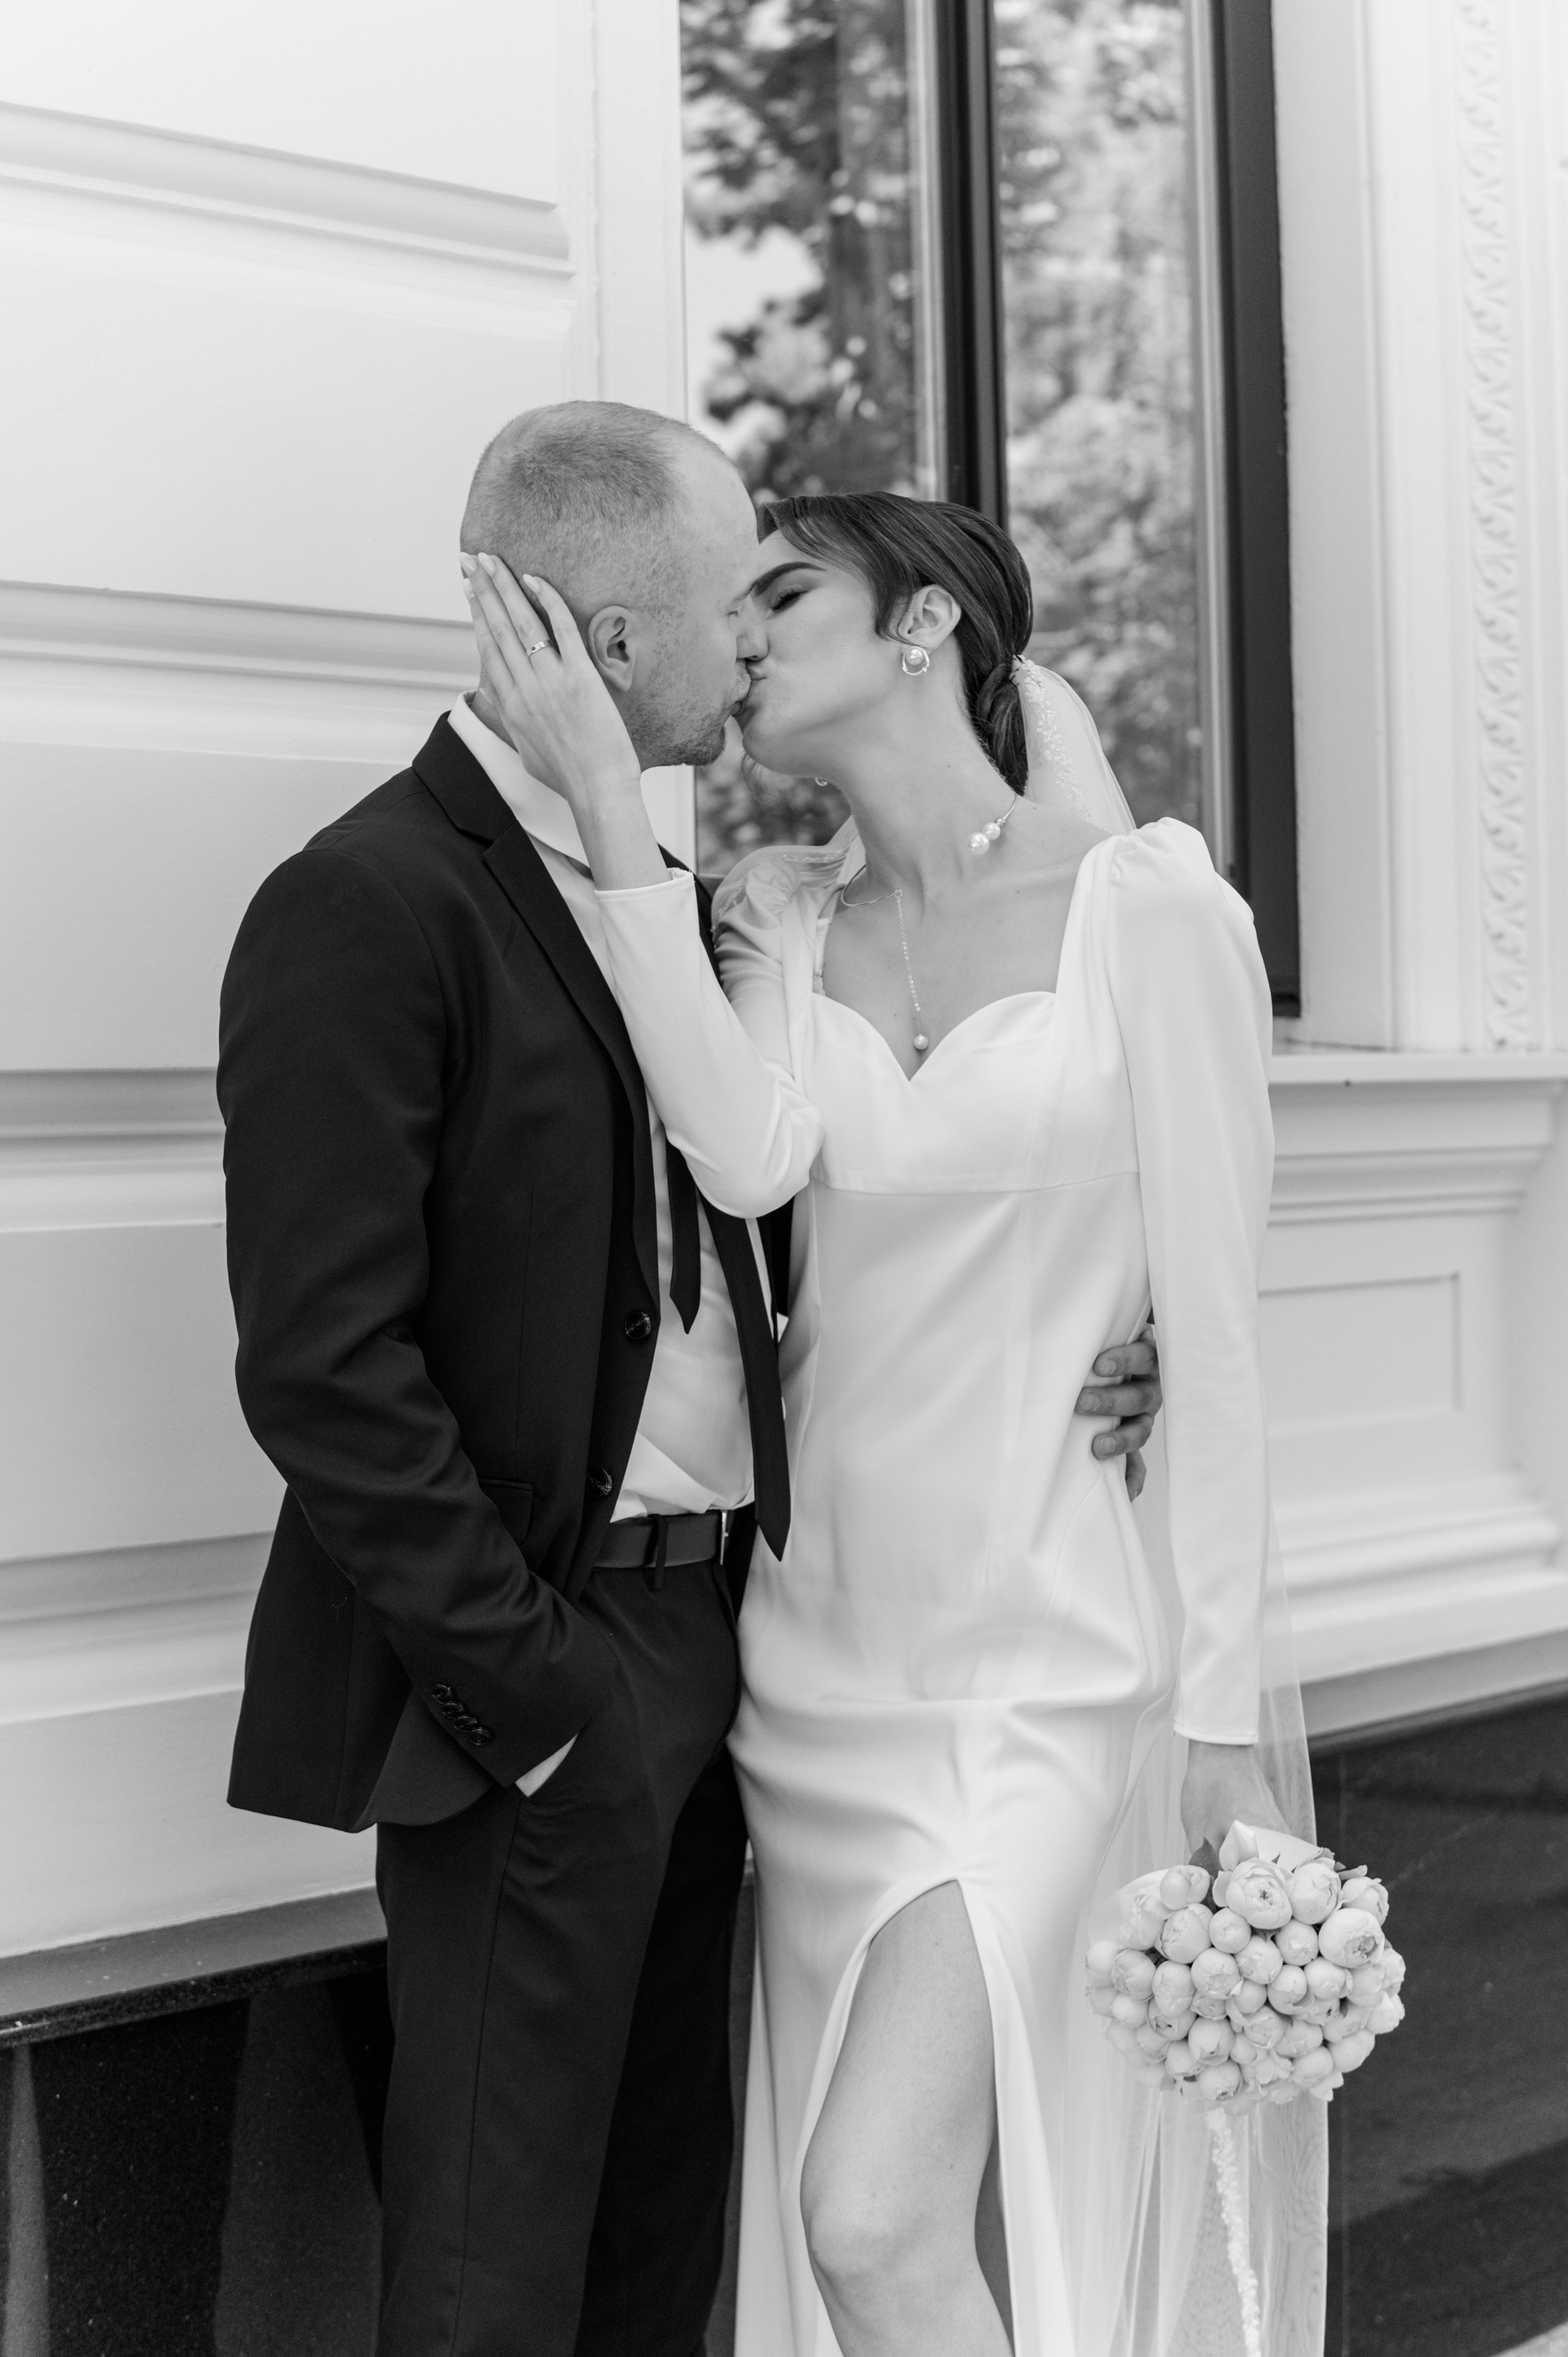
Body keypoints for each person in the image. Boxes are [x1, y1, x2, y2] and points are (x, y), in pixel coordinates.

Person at [217, 405, 1161, 2357]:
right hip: (545, 1663)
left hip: (747, 1645)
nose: (751, 646)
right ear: (614, 643)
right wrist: (537, 1690)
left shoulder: (700, 891)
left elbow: (806, 1211)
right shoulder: (369, 898)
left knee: (663, 2252)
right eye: (736, 605)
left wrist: (1103, 1319)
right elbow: (324, 1369)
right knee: (490, 2274)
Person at [461, 489, 1326, 2357]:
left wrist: (1222, 1736)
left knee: (868, 2212)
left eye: (785, 593)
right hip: (818, 1666)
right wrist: (613, 799)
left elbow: (1221, 1342)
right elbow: (744, 1153)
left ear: (926, 622)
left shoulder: (1153, 913)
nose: (740, 632)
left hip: (1052, 1661)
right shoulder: (777, 915)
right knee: (883, 2212)